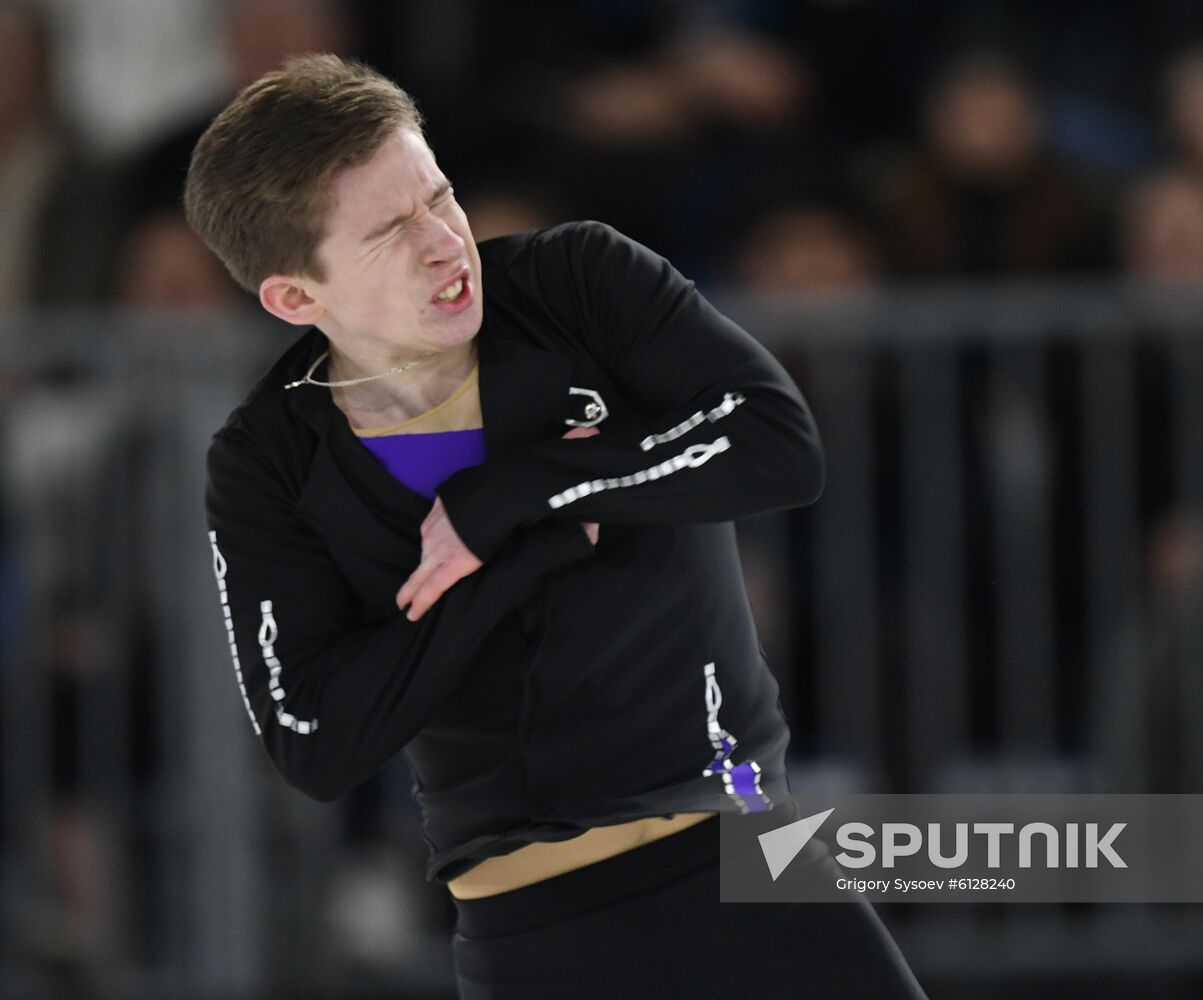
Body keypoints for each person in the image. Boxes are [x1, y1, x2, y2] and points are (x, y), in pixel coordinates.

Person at [184, 55, 925, 998]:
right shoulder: (267, 460)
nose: (446, 243)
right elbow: (315, 737)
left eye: (439, 197)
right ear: (296, 297)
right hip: (537, 931)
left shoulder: (576, 280)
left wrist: (519, 494)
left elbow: (777, 440)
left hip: (749, 864)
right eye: (388, 235)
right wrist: (515, 554)